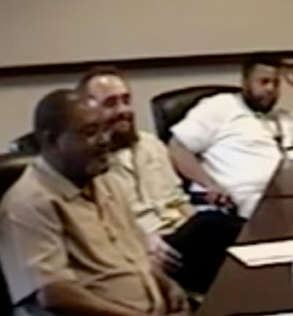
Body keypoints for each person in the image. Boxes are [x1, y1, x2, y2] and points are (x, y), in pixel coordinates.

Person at [0, 90, 202, 316]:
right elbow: (56, 296)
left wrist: (168, 286)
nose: (106, 140)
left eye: (105, 129)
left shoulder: (103, 181)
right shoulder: (30, 204)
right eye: (90, 133)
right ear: (50, 140)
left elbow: (137, 255)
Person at [78, 67, 243, 294]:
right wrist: (141, 241)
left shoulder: (150, 145)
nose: (123, 110)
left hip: (183, 233)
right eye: (111, 103)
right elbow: (97, 227)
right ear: (87, 109)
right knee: (215, 226)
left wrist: (206, 197)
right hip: (148, 251)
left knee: (231, 231)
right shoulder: (89, 162)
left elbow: (177, 197)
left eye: (126, 100)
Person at [168, 54, 293, 218]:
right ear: (245, 82)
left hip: (284, 202)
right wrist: (210, 184)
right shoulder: (221, 106)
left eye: (276, 83)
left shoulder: (282, 118)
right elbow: (177, 147)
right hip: (237, 207)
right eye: (263, 82)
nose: (270, 89)